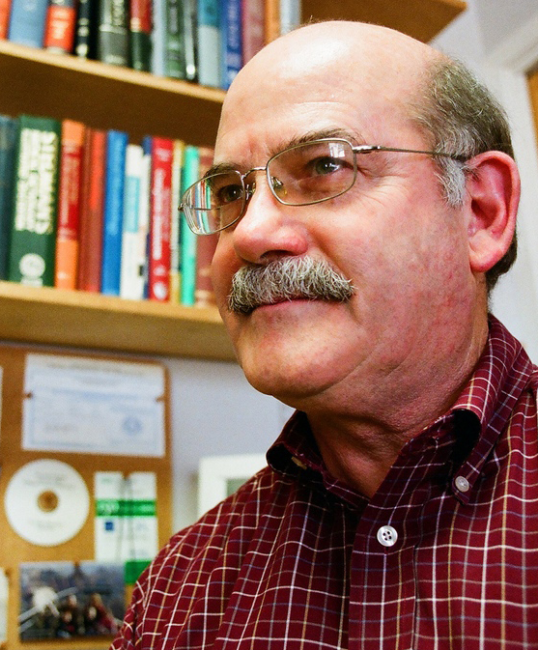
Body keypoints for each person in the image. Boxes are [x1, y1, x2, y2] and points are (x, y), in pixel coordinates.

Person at [112, 20, 538, 649]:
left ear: (480, 213)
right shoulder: (176, 593)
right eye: (231, 192)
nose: (250, 234)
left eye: (323, 166)